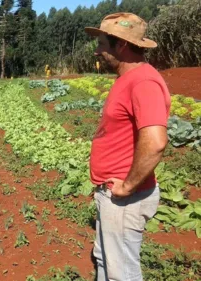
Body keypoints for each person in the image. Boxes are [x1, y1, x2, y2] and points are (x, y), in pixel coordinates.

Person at [84, 13, 171, 281]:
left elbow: (155, 142)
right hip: (113, 197)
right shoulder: (128, 79)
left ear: (120, 45)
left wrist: (127, 186)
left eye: (102, 44)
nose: (97, 51)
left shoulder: (143, 82)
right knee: (105, 262)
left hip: (125, 200)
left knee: (122, 274)